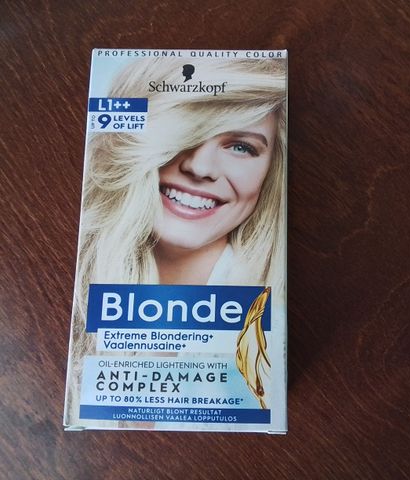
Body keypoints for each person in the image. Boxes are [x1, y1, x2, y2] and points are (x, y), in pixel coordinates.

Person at [65, 56, 287, 427]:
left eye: (241, 147)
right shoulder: (63, 295)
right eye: (187, 129)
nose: (199, 167)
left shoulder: (270, 331)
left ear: (271, 172)